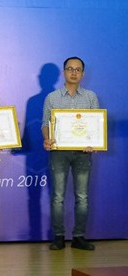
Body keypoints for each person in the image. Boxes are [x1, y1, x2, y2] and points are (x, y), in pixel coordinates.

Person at [42, 56, 99, 251]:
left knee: (82, 197)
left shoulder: (91, 97)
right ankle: (59, 236)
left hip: (83, 153)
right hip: (59, 153)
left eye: (78, 69)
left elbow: (96, 126)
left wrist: (94, 143)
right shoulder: (52, 97)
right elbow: (45, 124)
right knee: (58, 196)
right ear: (64, 72)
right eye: (70, 69)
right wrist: (47, 138)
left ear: (82, 73)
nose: (74, 72)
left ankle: (78, 237)